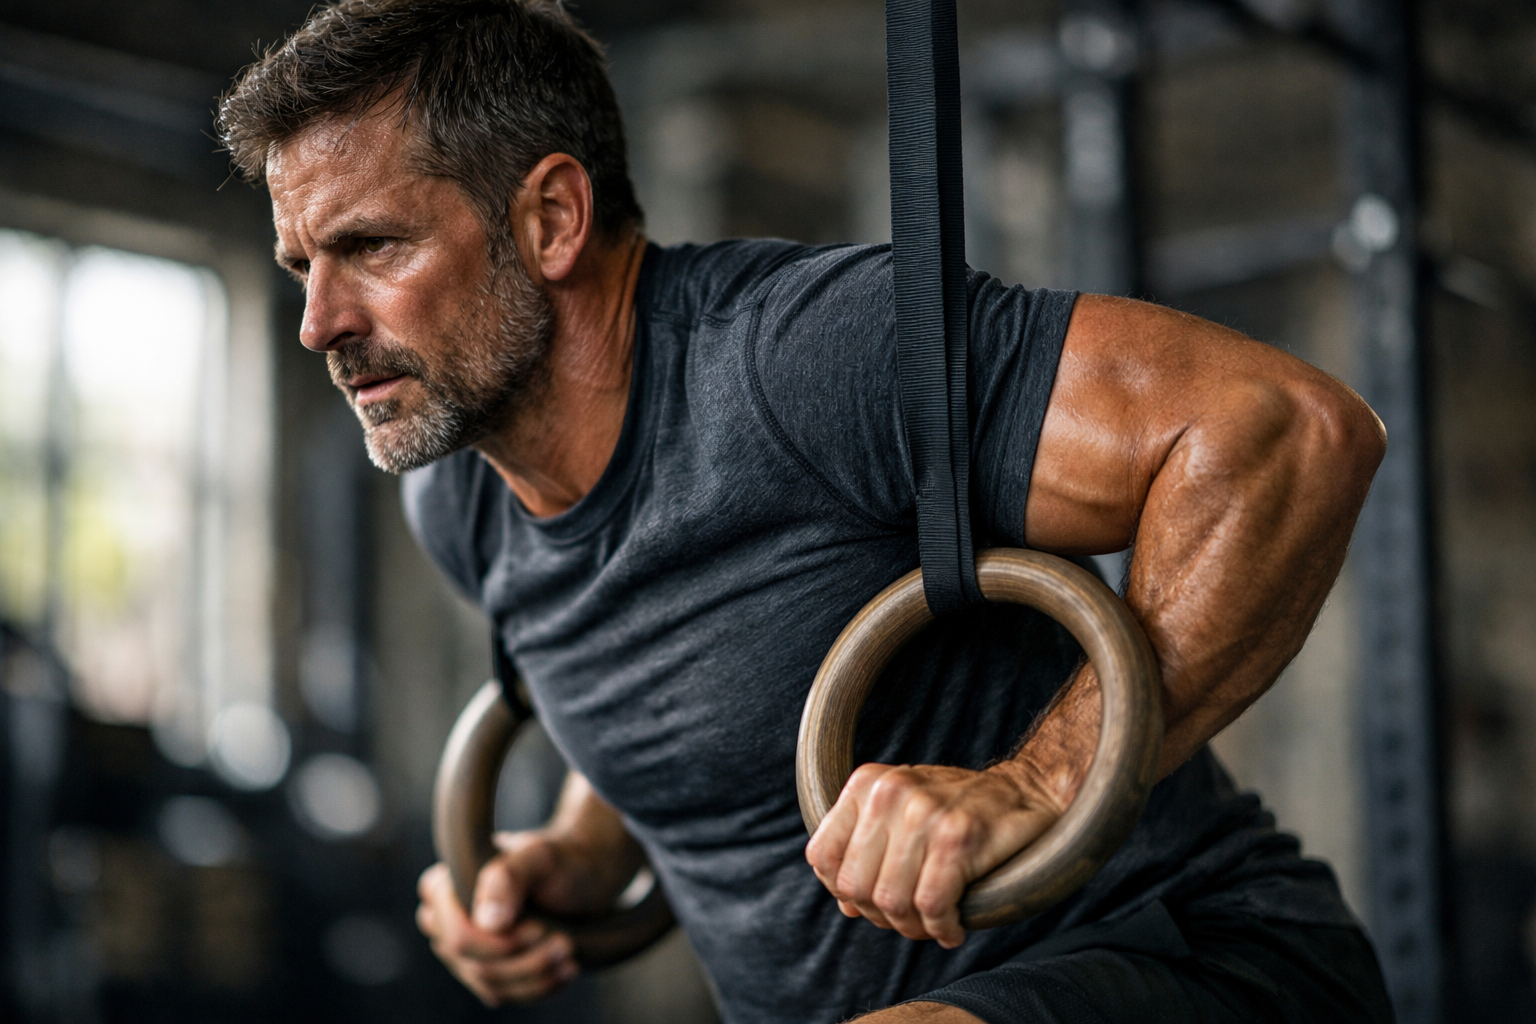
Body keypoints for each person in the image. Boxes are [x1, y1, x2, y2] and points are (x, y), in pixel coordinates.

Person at [218, 1, 1394, 1021]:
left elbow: (1281, 432)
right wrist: (576, 856)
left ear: (553, 220)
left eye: (370, 246)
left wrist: (1038, 781)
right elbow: (667, 677)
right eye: (301, 267)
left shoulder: (801, 358)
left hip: (1198, 960)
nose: (319, 323)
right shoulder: (460, 499)